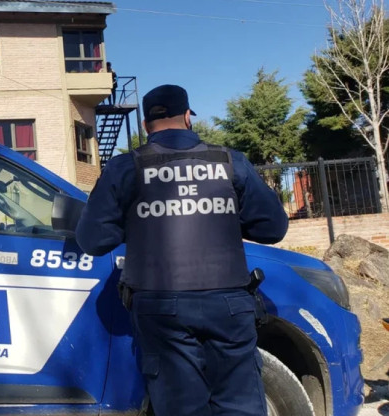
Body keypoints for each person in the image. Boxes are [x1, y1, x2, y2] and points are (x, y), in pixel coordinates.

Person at [76, 84, 288, 416]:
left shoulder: (125, 168)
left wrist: (136, 220)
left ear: (146, 125)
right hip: (229, 305)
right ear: (188, 117)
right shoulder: (231, 162)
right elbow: (273, 228)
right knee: (240, 407)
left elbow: (92, 240)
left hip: (161, 308)